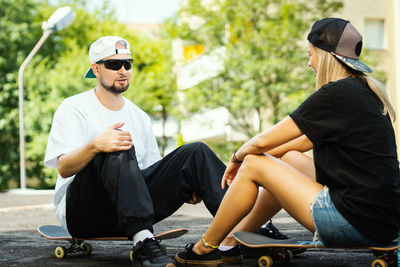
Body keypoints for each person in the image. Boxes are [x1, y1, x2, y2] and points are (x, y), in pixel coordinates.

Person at [44, 36, 286, 267]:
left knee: (196, 152)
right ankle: (143, 242)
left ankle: (246, 229)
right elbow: (64, 168)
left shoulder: (138, 116)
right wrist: (96, 145)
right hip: (84, 213)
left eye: (127, 64)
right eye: (113, 64)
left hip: (128, 211)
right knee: (115, 144)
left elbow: (149, 176)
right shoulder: (73, 108)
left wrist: (185, 181)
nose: (123, 70)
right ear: (96, 70)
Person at [175, 18, 400, 266]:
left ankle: (205, 247)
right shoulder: (365, 90)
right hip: (383, 222)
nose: (308, 62)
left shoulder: (335, 94)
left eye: (310, 54)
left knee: (253, 164)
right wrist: (268, 162)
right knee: (287, 159)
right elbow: (302, 142)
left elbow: (261, 142)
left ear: (325, 56)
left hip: (351, 223)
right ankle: (231, 240)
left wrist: (238, 158)